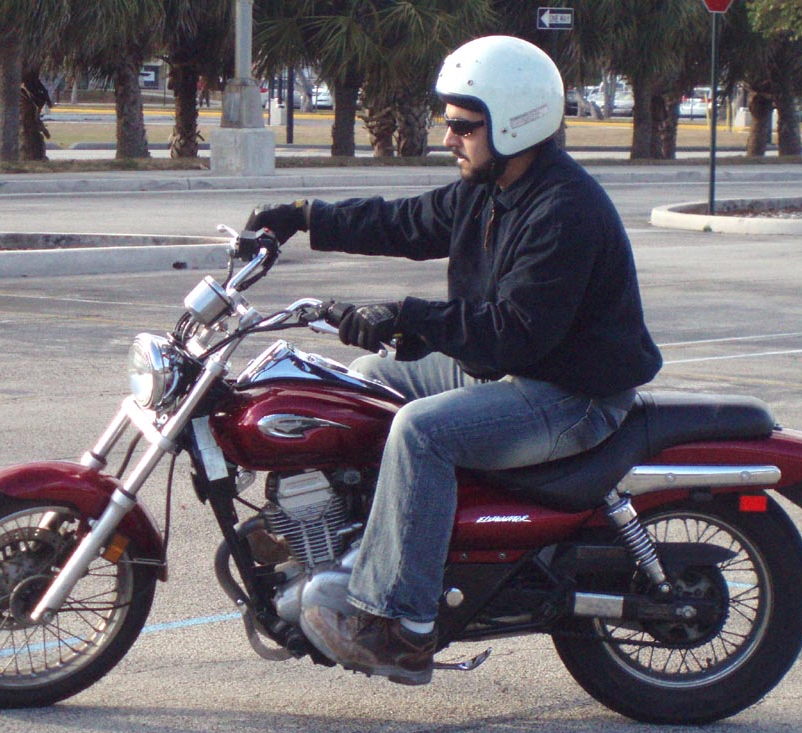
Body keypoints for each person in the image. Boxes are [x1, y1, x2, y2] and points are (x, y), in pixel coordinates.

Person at [245, 36, 662, 686]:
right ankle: (363, 546)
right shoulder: (492, 188)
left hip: (572, 394)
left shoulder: (563, 210)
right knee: (367, 384)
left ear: (514, 123)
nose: (449, 138)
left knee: (422, 431)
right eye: (449, 122)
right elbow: (405, 222)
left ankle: (402, 626)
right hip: (520, 368)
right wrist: (303, 217)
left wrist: (405, 317)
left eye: (464, 126)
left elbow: (512, 335)